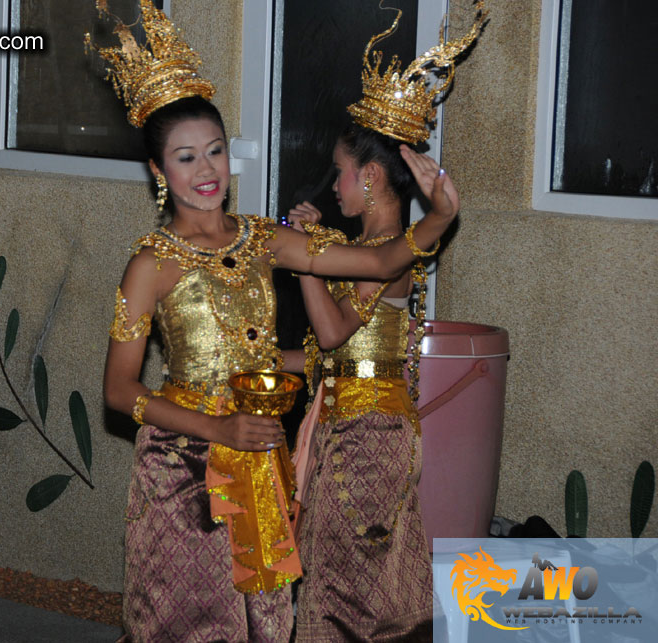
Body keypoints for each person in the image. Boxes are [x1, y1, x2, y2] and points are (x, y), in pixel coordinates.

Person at [89, 2, 459, 640]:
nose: (206, 171)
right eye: (185, 158)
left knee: (264, 623)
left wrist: (439, 217)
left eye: (214, 152)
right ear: (158, 171)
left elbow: (378, 260)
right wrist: (216, 425)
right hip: (182, 467)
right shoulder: (150, 265)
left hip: (260, 457)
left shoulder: (264, 239)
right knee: (196, 625)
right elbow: (120, 393)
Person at [287, 4, 487, 641]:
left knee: (354, 601)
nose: (335, 186)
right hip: (346, 427)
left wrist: (304, 261)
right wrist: (249, 359)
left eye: (342, 172)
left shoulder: (387, 255)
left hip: (371, 438)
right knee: (330, 582)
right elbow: (326, 356)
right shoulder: (363, 250)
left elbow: (333, 332)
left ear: (371, 177)